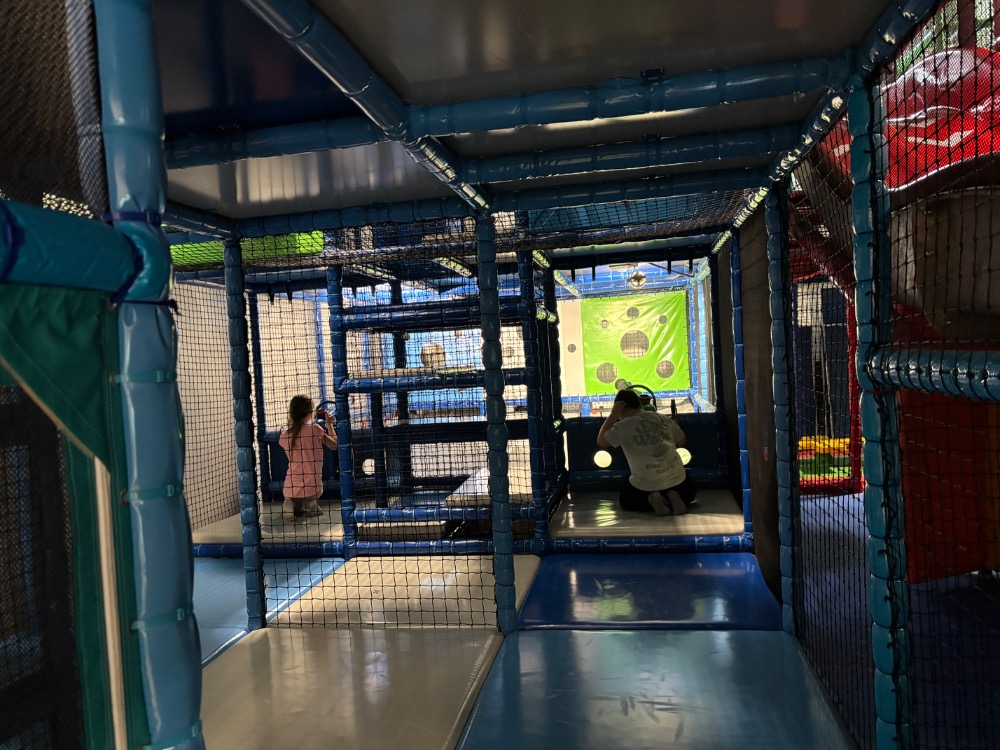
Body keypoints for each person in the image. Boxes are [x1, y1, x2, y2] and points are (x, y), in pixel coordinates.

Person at [596, 388, 696, 516]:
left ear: (620, 408)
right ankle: (674, 495)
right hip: (678, 481)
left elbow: (602, 441)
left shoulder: (623, 426)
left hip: (645, 486)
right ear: (639, 404)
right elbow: (681, 440)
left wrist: (613, 415)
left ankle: (652, 498)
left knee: (626, 500)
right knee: (689, 490)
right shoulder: (662, 418)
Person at [278, 395, 337, 521]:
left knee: (294, 499)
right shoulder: (315, 430)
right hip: (313, 484)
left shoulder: (284, 436)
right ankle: (312, 502)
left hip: (291, 485)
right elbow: (334, 446)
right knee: (311, 493)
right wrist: (330, 425)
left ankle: (289, 503)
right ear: (310, 413)